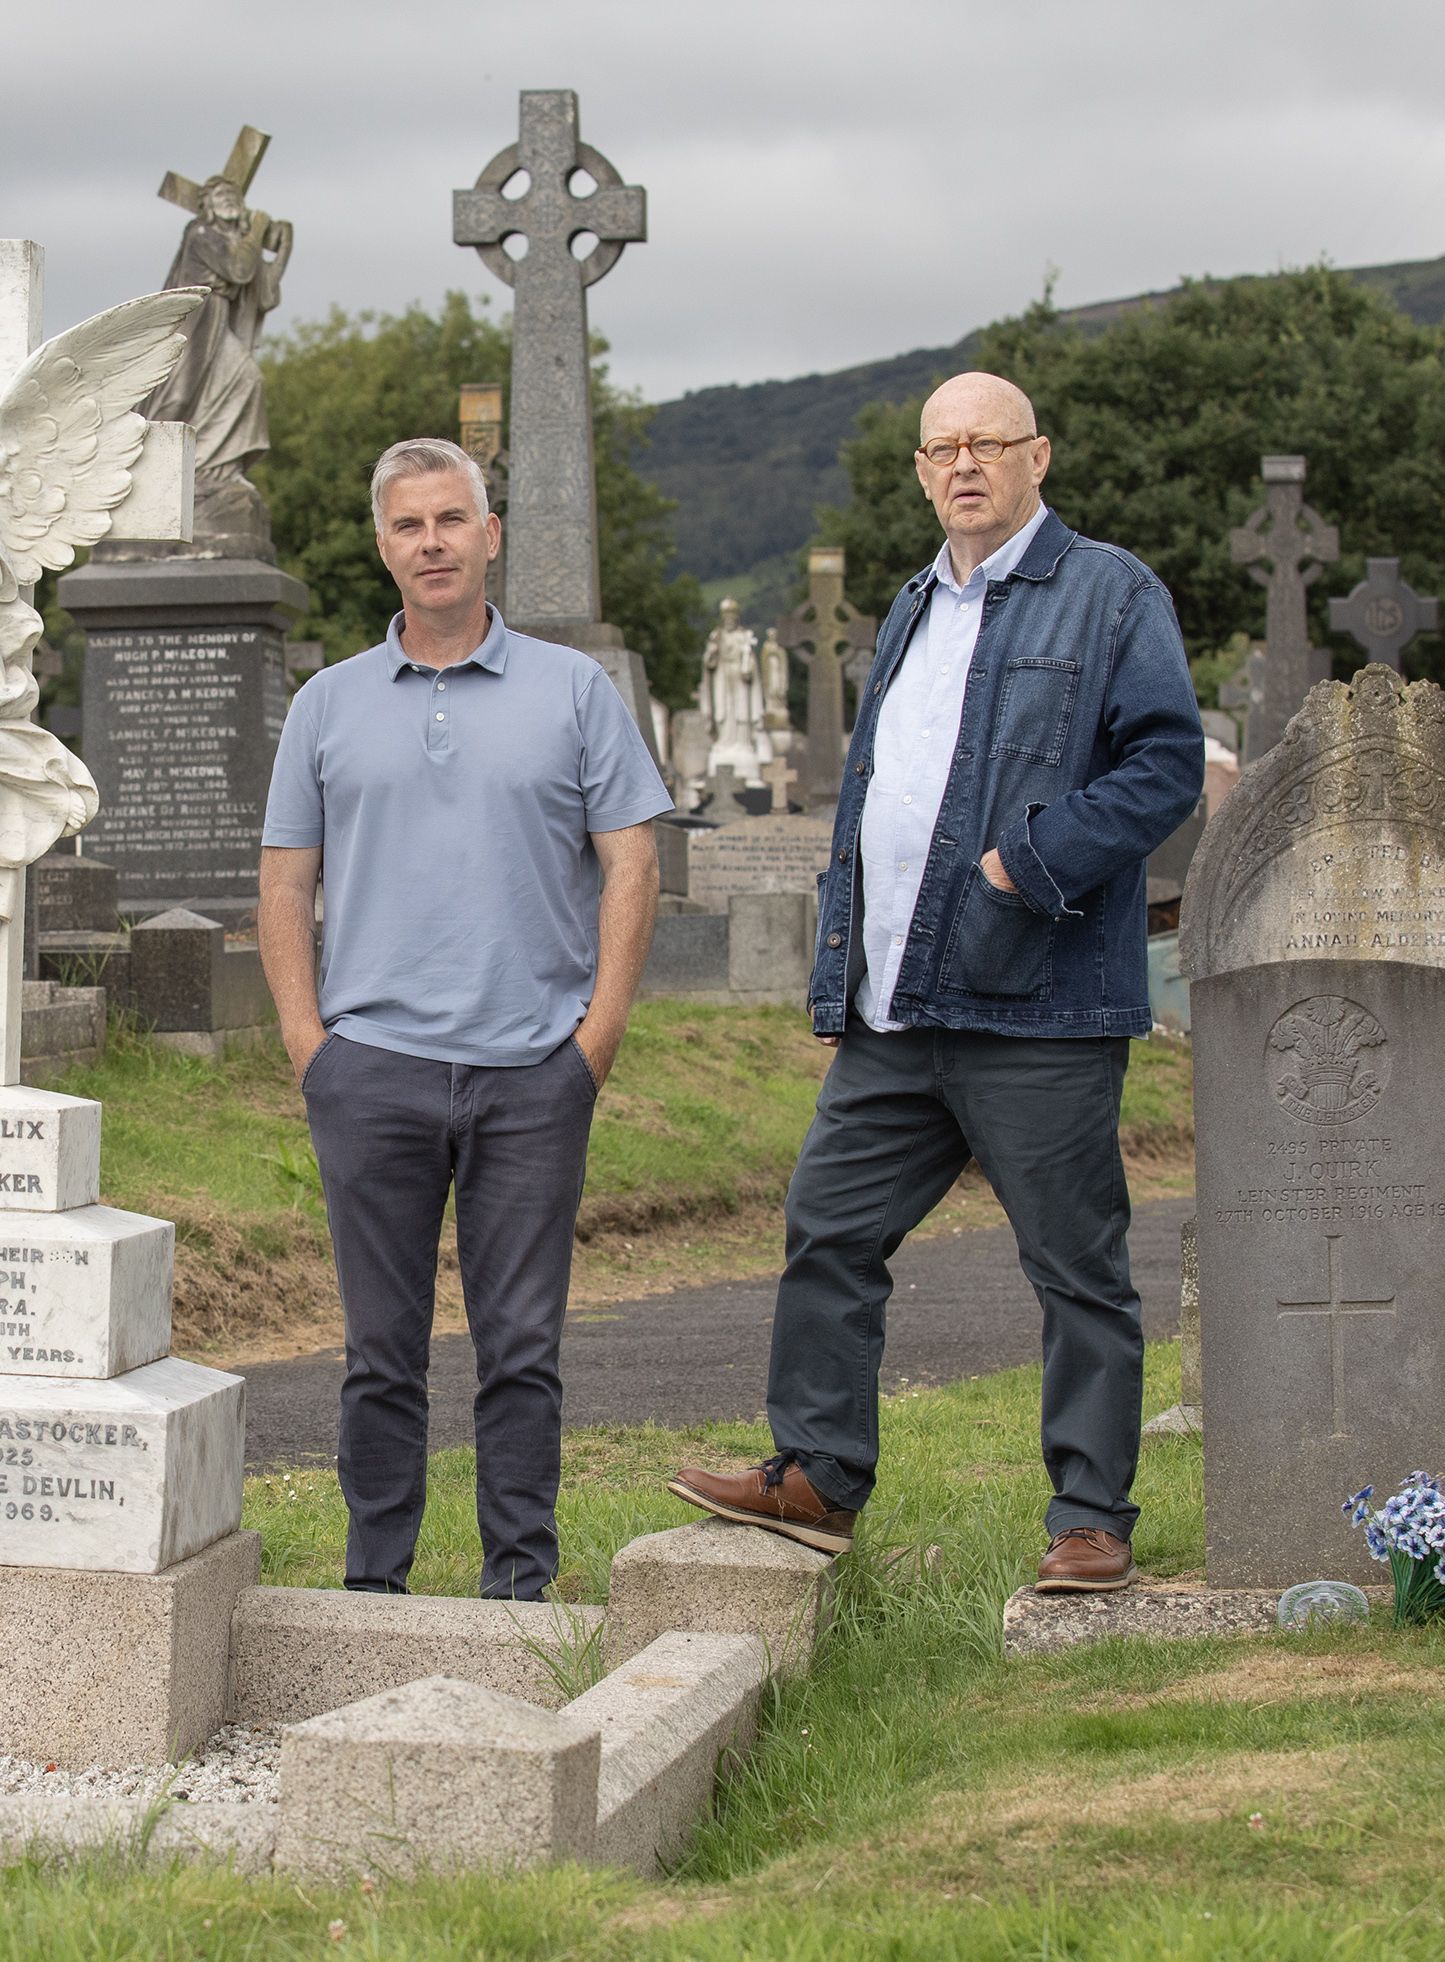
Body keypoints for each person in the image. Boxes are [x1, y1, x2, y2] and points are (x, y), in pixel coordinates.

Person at [669, 373, 1203, 1594]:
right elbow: (882, 794)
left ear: (1037, 458)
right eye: (942, 448)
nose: (964, 464)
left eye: (987, 444)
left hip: (1039, 1002)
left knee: (1076, 1269)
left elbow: (1165, 765)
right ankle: (816, 1475)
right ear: (920, 471)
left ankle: (1091, 1518)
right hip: (898, 1004)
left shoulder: (1111, 592)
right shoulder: (914, 603)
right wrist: (843, 968)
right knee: (829, 1227)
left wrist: (1028, 862)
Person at [260, 437, 671, 1600]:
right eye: (409, 524)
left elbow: (633, 861)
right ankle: (373, 1589)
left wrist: (593, 1041)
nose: (431, 543)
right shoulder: (327, 704)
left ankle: (519, 1593)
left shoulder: (573, 691)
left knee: (522, 1351)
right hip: (371, 1071)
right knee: (379, 1355)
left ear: (490, 536)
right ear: (383, 546)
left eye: (451, 520)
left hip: (532, 1073)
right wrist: (311, 1048)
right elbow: (285, 882)